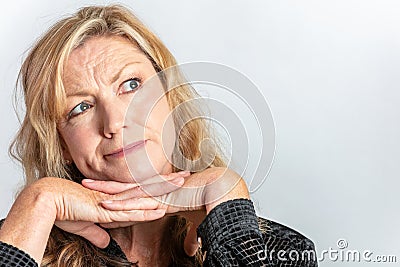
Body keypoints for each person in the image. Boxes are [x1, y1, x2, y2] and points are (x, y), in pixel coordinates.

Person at [0, 4, 317, 267]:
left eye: (131, 85)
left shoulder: (281, 250)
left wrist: (225, 197)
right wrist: (37, 203)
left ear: (171, 98)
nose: (115, 123)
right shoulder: (17, 241)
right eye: (80, 107)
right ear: (62, 145)